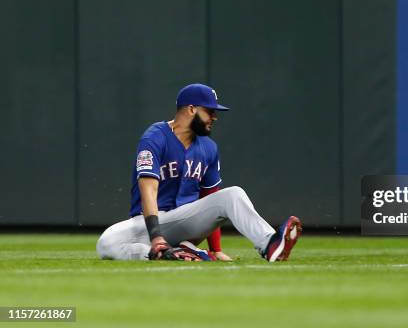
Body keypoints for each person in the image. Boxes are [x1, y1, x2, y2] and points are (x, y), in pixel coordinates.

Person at [96, 83, 302, 262]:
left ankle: (269, 244)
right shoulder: (154, 138)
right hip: (149, 224)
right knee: (106, 244)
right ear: (192, 109)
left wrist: (217, 249)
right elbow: (148, 190)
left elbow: (211, 198)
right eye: (210, 111)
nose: (214, 117)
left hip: (188, 221)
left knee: (233, 194)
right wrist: (157, 237)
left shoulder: (209, 147)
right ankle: (175, 253)